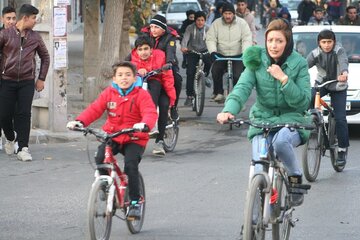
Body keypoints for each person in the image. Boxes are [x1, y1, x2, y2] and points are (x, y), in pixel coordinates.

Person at [217, 18, 312, 206]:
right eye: (270, 40)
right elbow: (242, 88)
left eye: (279, 41)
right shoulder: (256, 60)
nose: (274, 46)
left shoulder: (299, 63)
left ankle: (295, 176)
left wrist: (284, 79)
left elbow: (303, 102)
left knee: (281, 143)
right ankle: (253, 219)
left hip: (292, 118)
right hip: (263, 119)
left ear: (288, 43)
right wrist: (228, 110)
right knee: (259, 163)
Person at [66, 61, 158, 219]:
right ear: (114, 78)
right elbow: (95, 109)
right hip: (113, 135)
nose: (124, 78)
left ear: (134, 77)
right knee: (100, 157)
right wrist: (80, 122)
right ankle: (105, 186)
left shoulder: (141, 94)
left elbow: (149, 112)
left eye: (128, 75)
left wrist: (144, 124)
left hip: (134, 137)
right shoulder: (109, 93)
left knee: (130, 165)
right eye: (120, 75)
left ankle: (135, 202)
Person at [0, 4, 50, 161]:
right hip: (7, 81)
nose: (36, 21)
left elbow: (45, 57)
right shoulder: (5, 34)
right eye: (34, 18)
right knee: (4, 116)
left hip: (27, 82)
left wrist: (41, 78)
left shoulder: (35, 37)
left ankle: (23, 148)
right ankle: (10, 136)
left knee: (24, 114)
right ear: (25, 18)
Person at [307, 29, 349, 166]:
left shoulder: (339, 51)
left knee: (340, 118)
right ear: (319, 42)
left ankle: (342, 149)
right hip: (322, 84)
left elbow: (344, 63)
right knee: (307, 98)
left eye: (329, 42)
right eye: (323, 42)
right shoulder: (315, 53)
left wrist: (344, 73)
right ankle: (311, 123)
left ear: (334, 42)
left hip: (338, 86)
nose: (326, 45)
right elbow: (303, 66)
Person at [129, 36, 176, 156]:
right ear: (136, 50)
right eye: (140, 49)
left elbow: (168, 78)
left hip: (162, 86)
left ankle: (159, 140)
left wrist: (172, 100)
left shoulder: (160, 56)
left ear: (151, 50)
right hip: (143, 86)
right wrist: (138, 70)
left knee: (164, 105)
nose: (143, 52)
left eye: (146, 49)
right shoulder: (132, 58)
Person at [206, 2, 252, 103]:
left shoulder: (242, 23)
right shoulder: (216, 23)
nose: (228, 16)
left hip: (238, 55)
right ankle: (219, 93)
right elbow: (210, 39)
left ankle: (238, 96)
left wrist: (245, 52)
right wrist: (213, 51)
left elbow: (247, 39)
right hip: (221, 55)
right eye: (226, 13)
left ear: (234, 14)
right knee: (215, 71)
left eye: (230, 14)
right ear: (222, 14)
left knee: (238, 75)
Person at [140, 14, 181, 121]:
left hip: (165, 66)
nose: (153, 30)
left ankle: (173, 107)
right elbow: (137, 50)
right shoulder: (145, 34)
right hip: (147, 66)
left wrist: (169, 63)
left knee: (177, 80)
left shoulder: (170, 37)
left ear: (163, 29)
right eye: (152, 27)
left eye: (156, 27)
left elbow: (170, 51)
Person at [181, 11, 212, 106]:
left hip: (205, 51)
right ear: (195, 20)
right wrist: (184, 47)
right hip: (192, 52)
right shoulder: (190, 28)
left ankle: (205, 76)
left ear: (205, 21)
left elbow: (212, 39)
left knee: (209, 62)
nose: (200, 22)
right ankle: (189, 96)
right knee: (190, 73)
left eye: (202, 20)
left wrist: (214, 48)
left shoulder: (208, 29)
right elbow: (185, 39)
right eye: (198, 20)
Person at [0, 6, 16, 152]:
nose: (11, 21)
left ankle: (11, 136)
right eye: (8, 18)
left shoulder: (20, 35)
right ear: (2, 19)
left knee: (7, 111)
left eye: (13, 18)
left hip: (9, 79)